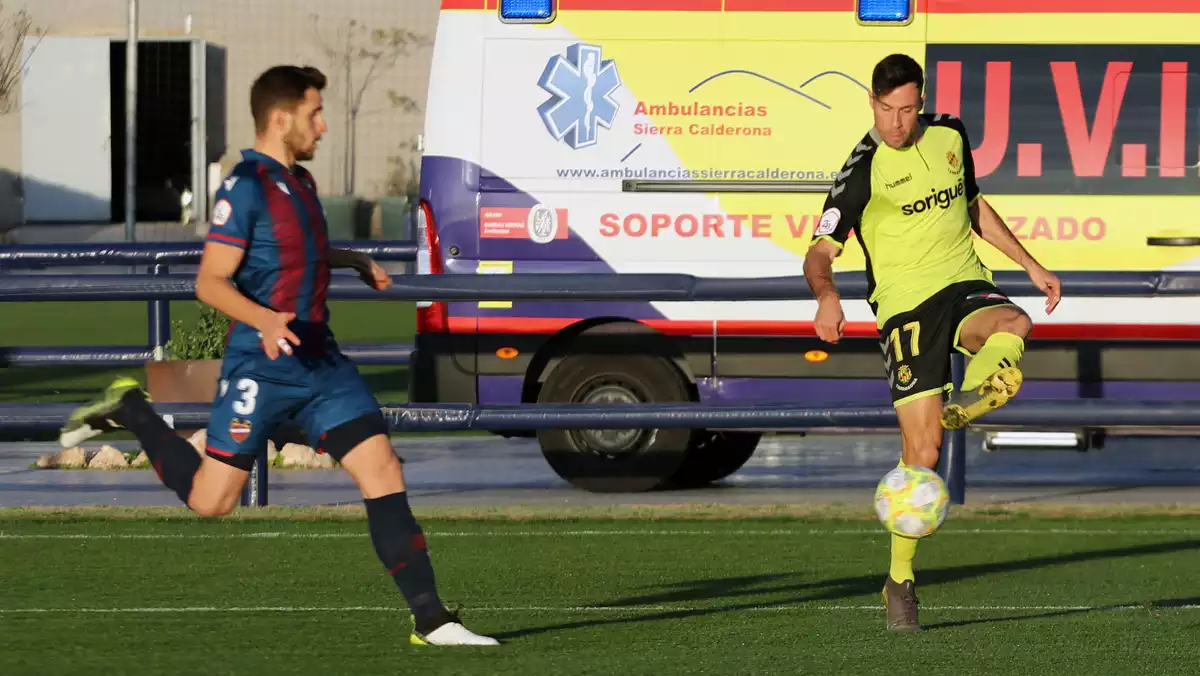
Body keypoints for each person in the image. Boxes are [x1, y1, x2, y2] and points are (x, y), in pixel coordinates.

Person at [58, 65, 498, 647]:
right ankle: (134, 408)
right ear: (280, 117)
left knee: (382, 468)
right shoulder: (245, 185)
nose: (323, 125)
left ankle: (431, 619)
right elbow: (210, 282)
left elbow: (304, 248)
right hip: (259, 368)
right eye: (315, 113)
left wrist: (353, 261)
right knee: (212, 502)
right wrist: (264, 319)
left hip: (321, 365)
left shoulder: (303, 182)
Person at [803, 54, 1062, 632]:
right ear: (872, 103)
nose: (898, 123)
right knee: (923, 457)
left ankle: (972, 397)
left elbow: (972, 205)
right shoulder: (861, 169)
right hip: (905, 308)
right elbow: (820, 251)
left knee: (1015, 321)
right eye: (887, 110)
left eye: (907, 109)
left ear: (921, 102)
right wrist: (826, 295)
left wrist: (1032, 264)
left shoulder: (950, 133)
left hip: (965, 283)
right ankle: (899, 581)